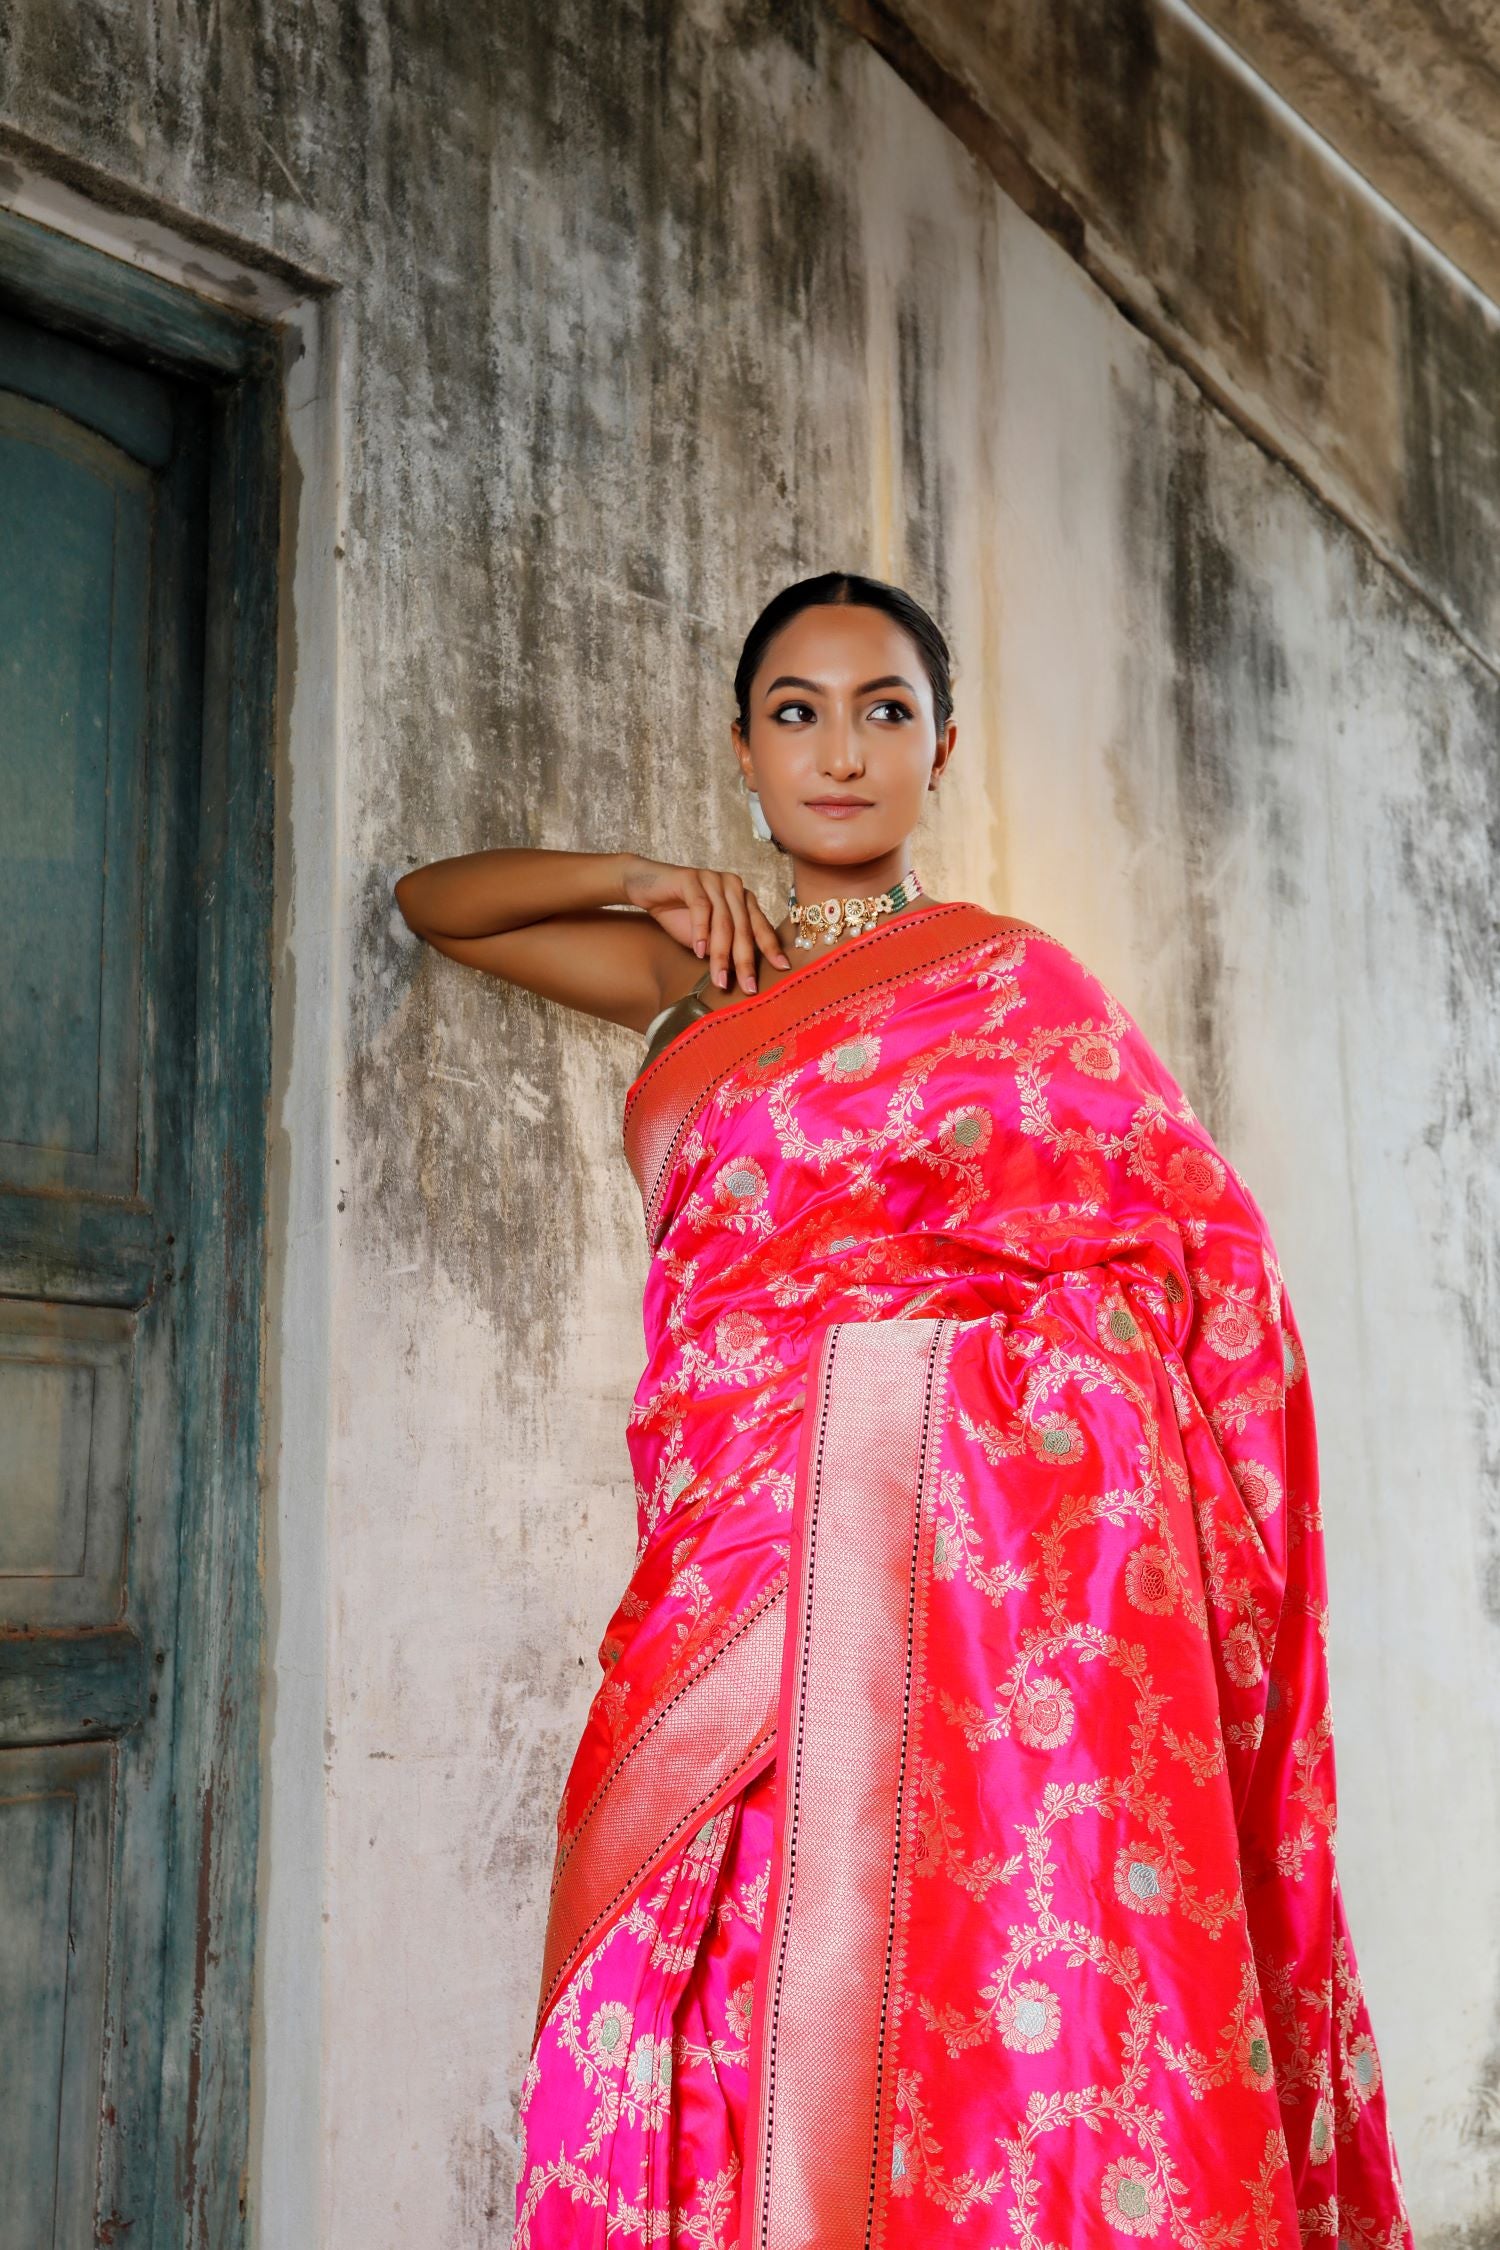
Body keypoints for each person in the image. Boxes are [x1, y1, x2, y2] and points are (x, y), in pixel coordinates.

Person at [394, 572, 1413, 2248]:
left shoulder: (1026, 994)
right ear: (743, 747)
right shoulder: (693, 974)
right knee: (692, 1937)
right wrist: (640, 875)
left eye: (884, 711)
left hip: (974, 1576)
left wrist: (948, 1405)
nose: (842, 752)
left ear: (942, 747)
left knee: (975, 1940)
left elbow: (1194, 1261)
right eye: (796, 711)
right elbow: (445, 904)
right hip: (735, 1545)